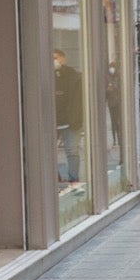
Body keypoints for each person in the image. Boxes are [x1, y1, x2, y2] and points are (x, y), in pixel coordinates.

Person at [52, 48, 83, 182]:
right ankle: (55, 178)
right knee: (49, 153)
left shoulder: (74, 76)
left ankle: (73, 179)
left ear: (63, 59)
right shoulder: (46, 76)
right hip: (52, 122)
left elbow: (79, 100)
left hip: (71, 122)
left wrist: (77, 119)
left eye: (56, 58)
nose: (54, 61)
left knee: (72, 151)